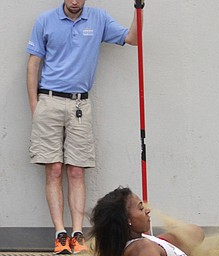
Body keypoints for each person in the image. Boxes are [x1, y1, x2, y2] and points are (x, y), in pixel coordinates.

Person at [26, 0, 144, 254]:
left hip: (80, 103)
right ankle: (60, 234)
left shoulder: (98, 19)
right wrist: (36, 106)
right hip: (49, 100)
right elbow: (34, 62)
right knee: (54, 169)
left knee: (77, 171)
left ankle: (77, 233)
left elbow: (133, 38)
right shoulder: (45, 20)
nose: (75, 1)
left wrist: (139, 8)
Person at [89, 187, 204, 256]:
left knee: (194, 232)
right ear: (127, 220)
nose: (147, 210)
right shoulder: (144, 247)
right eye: (141, 208)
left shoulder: (144, 241)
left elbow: (196, 232)